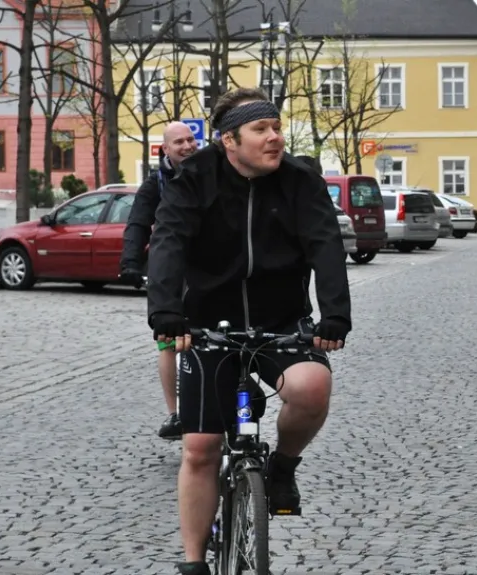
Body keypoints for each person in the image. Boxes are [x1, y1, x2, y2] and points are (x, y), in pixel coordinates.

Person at [146, 87, 351, 575]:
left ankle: (281, 468)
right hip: (206, 325)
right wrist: (166, 312)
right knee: (200, 447)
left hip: (281, 321)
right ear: (228, 141)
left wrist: (335, 315)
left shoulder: (301, 181)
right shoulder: (194, 179)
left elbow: (326, 247)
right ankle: (195, 562)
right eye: (261, 129)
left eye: (277, 127)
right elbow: (169, 243)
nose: (275, 137)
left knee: (312, 387)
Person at [119, 122, 199, 440]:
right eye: (178, 141)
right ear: (164, 149)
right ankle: (176, 413)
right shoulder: (156, 184)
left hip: (211, 267)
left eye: (191, 139)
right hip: (170, 271)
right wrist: (129, 262)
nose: (187, 145)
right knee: (168, 341)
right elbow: (138, 222)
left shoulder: (212, 173)